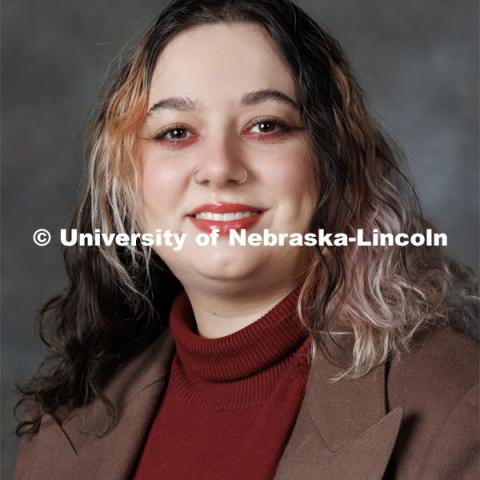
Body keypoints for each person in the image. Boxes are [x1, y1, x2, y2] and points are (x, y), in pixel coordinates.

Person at [14, 1, 479, 479]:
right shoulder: (61, 426)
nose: (219, 168)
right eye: (176, 132)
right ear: (125, 184)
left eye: (265, 125)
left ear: (334, 163)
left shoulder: (458, 406)